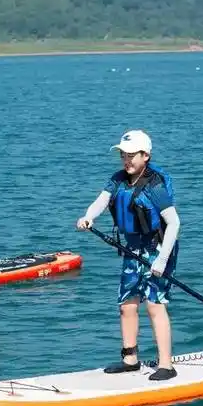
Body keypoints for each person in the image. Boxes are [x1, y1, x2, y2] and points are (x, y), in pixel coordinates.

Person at [76, 130, 181, 381]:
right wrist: (88, 216)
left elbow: (174, 223)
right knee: (127, 305)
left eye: (132, 155)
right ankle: (130, 359)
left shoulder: (154, 185)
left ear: (146, 155)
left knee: (155, 306)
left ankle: (166, 364)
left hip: (157, 249)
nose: (126, 160)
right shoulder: (118, 179)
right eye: (123, 155)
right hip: (132, 249)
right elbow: (101, 201)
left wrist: (162, 259)